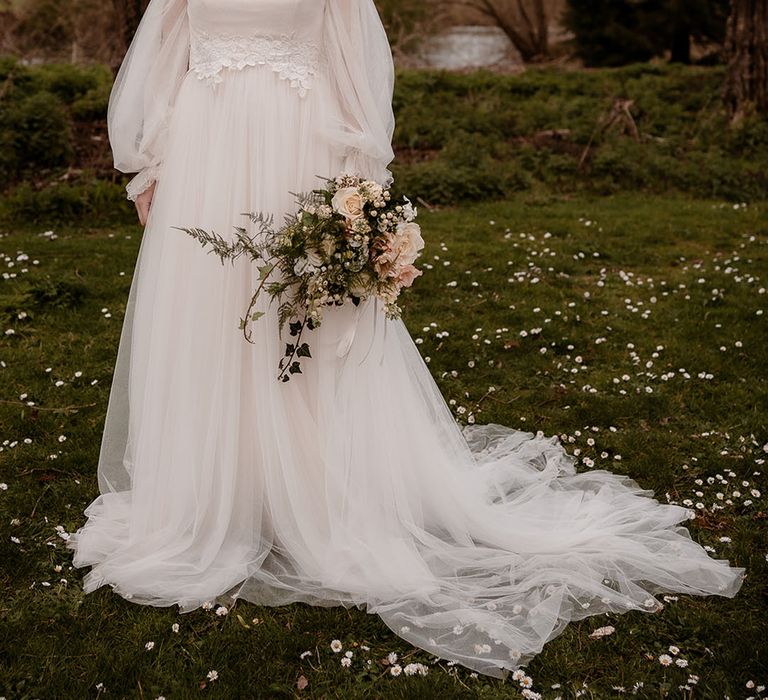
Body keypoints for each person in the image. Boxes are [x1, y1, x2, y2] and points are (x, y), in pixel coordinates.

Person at [67, 0, 744, 678]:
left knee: (303, 316)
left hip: (301, 145)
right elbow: (159, 55)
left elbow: (355, 61)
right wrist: (147, 165)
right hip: (206, 148)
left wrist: (367, 185)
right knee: (211, 316)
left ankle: (308, 488)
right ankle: (216, 489)